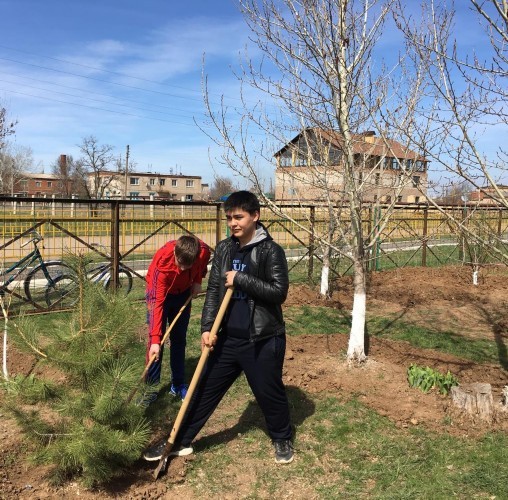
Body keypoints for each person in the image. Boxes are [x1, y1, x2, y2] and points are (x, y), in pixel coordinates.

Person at [143, 191, 294, 464]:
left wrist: (242, 279)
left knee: (268, 392)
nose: (233, 223)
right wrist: (207, 327)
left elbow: (278, 292)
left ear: (255, 216)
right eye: (229, 218)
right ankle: (180, 441)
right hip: (227, 338)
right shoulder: (225, 248)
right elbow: (214, 289)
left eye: (239, 217)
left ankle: (282, 437)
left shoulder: (271, 251)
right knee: (204, 389)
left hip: (261, 338)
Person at [144, 234, 211, 402]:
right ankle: (150, 390)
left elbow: (203, 263)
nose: (181, 269)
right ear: (175, 252)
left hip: (182, 295)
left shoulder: (202, 252)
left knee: (179, 339)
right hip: (161, 295)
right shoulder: (162, 263)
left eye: (187, 267)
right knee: (156, 345)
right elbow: (156, 304)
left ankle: (178, 384)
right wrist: (154, 339)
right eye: (180, 264)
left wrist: (197, 280)